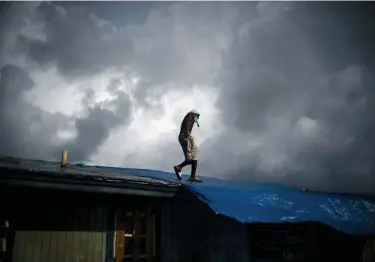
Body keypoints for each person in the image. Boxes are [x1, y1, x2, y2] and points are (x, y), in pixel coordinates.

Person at [173, 110, 202, 182]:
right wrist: (186, 133)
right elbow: (187, 121)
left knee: (193, 157)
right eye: (196, 118)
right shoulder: (190, 116)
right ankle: (180, 168)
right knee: (192, 157)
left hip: (185, 136)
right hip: (185, 136)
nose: (195, 122)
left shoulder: (191, 117)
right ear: (195, 115)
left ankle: (191, 175)